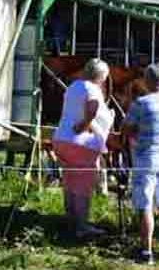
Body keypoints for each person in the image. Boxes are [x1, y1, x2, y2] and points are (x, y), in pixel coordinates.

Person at [123, 63, 159, 264]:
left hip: (146, 158)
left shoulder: (141, 103)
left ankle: (146, 252)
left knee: (146, 205)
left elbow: (127, 129)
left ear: (147, 81)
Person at [52, 58, 114, 239]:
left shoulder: (73, 86)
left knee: (70, 182)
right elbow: (93, 107)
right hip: (80, 142)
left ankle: (70, 219)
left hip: (61, 139)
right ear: (101, 76)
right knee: (83, 186)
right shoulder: (92, 88)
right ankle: (82, 226)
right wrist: (85, 124)